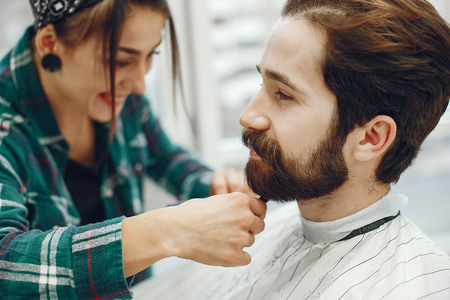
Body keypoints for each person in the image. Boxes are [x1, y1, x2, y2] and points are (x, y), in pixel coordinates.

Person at [132, 0, 450, 299]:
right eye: (262, 86)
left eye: (283, 94)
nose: (247, 116)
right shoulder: (261, 230)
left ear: (371, 138)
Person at [0, 0, 267, 299]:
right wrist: (167, 231)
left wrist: (213, 183)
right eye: (120, 61)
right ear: (50, 43)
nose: (140, 84)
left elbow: (164, 157)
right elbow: (5, 262)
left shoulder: (116, 93)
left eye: (150, 54)